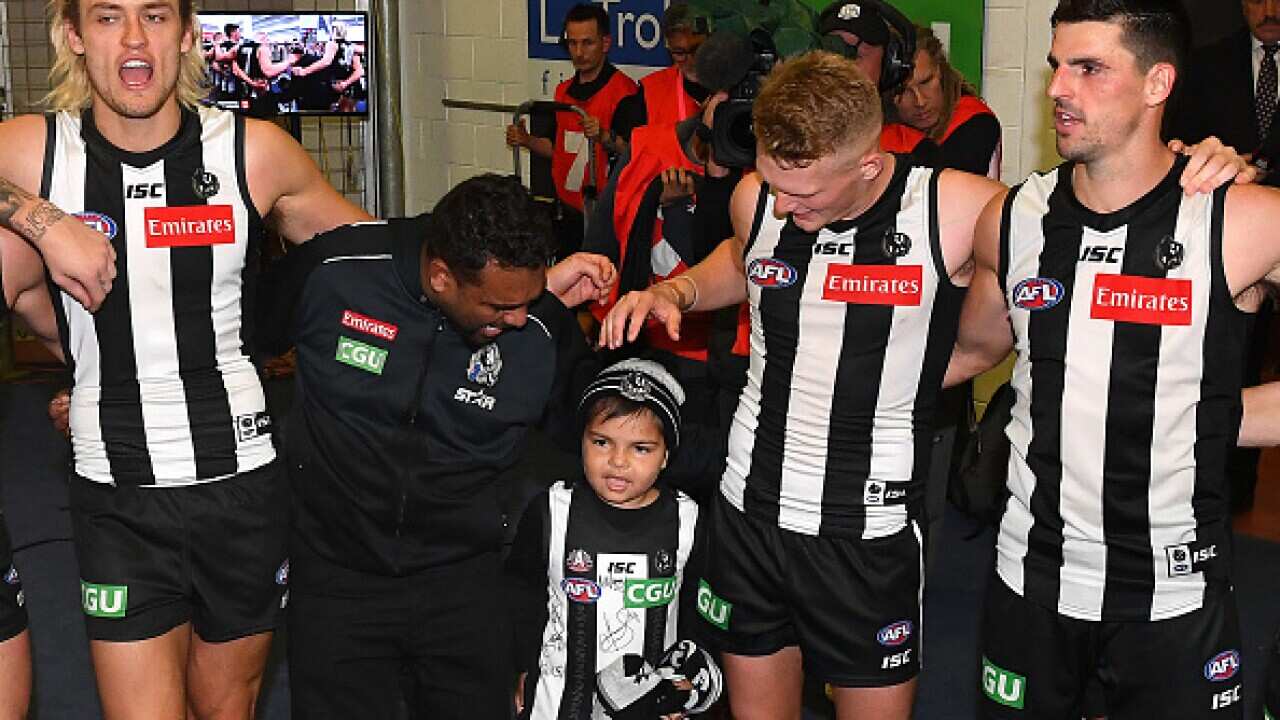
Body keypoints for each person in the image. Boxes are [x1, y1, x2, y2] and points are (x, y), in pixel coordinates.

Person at [601, 49, 1006, 720]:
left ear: (868, 164)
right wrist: (680, 287)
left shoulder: (953, 207)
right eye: (771, 182)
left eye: (806, 193)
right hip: (749, 513)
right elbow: (746, 254)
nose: (782, 205)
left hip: (863, 534)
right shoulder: (757, 199)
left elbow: (1063, 247)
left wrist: (1194, 170)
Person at [0, 0, 372, 715]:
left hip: (241, 491)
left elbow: (377, 251)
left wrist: (540, 276)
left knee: (225, 709)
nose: (134, 38)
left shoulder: (252, 150)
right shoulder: (39, 149)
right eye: (108, 18)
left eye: (155, 16)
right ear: (74, 36)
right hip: (117, 495)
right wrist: (47, 224)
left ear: (188, 34)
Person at [942, 1, 1280, 716]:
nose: (1060, 88)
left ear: (1158, 84)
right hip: (1030, 580)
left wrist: (1226, 416)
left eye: (1090, 69)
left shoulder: (1237, 218)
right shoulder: (1013, 218)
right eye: (1056, 67)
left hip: (1175, 597)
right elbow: (973, 350)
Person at [254, 173, 615, 718]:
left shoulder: (538, 326)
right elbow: (229, 342)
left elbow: (596, 422)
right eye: (499, 306)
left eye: (529, 300)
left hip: (462, 582)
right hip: (336, 577)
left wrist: (646, 385)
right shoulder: (337, 272)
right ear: (442, 276)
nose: (518, 318)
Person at [505, 358, 718, 719]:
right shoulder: (551, 511)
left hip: (652, 708)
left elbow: (699, 611)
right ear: (582, 440)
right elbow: (520, 597)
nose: (618, 461)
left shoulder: (688, 520)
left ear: (666, 455)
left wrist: (687, 682)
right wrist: (520, 667)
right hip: (555, 704)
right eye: (602, 442)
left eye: (640, 448)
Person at [1167, 0, 1280, 514]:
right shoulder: (1209, 63)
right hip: (1226, 243)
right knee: (1232, 364)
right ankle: (1225, 497)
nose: (1270, 8)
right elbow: (1176, 143)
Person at [506, 3, 638, 258]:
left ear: (605, 43)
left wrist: (604, 137)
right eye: (572, 43)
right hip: (567, 211)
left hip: (605, 214)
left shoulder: (624, 92)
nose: (578, 52)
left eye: (587, 43)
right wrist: (527, 140)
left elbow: (634, 153)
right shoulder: (563, 92)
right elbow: (559, 149)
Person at [887, 25, 1001, 178]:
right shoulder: (876, 124)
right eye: (902, 91)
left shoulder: (975, 122)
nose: (920, 101)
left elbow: (940, 191)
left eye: (926, 81)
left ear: (942, 71)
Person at [611, 2, 709, 144]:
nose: (691, 60)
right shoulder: (649, 94)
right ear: (668, 47)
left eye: (697, 50)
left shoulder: (736, 85)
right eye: (679, 53)